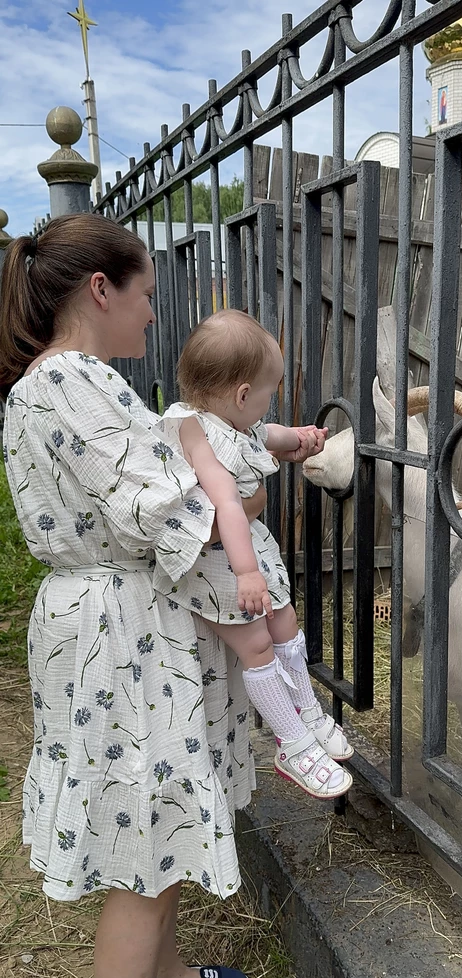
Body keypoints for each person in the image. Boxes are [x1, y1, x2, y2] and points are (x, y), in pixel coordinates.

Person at [0, 215, 323, 978]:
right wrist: (251, 486)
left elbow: (170, 468)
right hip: (121, 632)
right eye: (146, 294)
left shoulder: (63, 383)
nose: (153, 313)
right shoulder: (74, 380)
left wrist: (250, 452)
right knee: (142, 837)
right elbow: (187, 509)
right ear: (100, 289)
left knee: (161, 821)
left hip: (119, 622)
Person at [155, 310, 354, 801]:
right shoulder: (193, 430)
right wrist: (246, 572)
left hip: (251, 557)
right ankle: (291, 743)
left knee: (286, 626)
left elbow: (272, 435)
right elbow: (225, 503)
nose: (270, 404)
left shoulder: (235, 424)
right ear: (243, 394)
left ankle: (308, 713)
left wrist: (305, 439)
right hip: (223, 565)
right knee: (258, 646)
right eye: (269, 392)